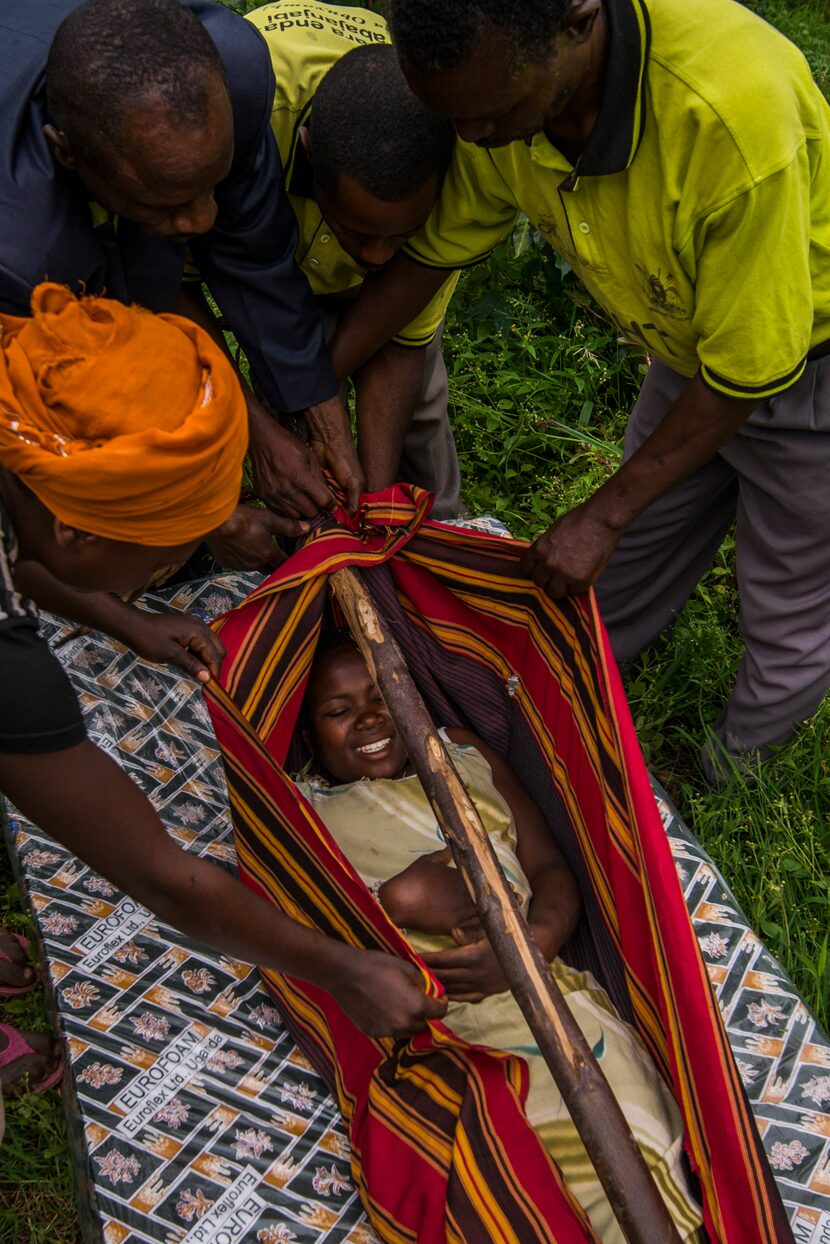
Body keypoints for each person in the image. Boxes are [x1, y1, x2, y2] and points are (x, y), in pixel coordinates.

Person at [332, 0, 830, 780]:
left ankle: (729, 779)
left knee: (787, 605)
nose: (472, 138)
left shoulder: (728, 115)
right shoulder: (497, 91)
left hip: (810, 374)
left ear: (577, 19)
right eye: (452, 116)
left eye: (492, 114)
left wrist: (602, 512)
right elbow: (427, 259)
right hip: (689, 347)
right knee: (616, 575)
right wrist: (312, 394)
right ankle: (564, 706)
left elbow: (748, 372)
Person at [0, 284, 445, 1112]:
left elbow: (26, 545)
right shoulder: (8, 663)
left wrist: (126, 618)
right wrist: (344, 969)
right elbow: (164, 876)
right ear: (81, 531)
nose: (164, 579)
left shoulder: (23, 433)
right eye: (161, 561)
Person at [295, 636, 703, 1240]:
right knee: (514, 1186)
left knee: (634, 1154)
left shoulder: (459, 754)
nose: (371, 719)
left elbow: (548, 868)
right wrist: (397, 900)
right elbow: (306, 947)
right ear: (310, 732)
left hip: (550, 996)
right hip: (439, 1032)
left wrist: (534, 944)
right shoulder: (304, 812)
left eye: (384, 696)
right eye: (339, 710)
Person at [0, 0, 363, 573]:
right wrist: (205, 517)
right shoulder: (20, 251)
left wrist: (318, 409)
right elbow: (83, 398)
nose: (202, 222)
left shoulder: (228, 80)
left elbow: (257, 256)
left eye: (212, 183)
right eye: (169, 202)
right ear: (68, 156)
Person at [243, 2, 463, 517]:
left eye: (401, 236)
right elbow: (173, 292)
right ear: (309, 150)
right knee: (292, 440)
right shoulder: (246, 118)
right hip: (275, 274)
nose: (377, 257)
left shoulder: (457, 174)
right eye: (359, 231)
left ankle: (424, 534)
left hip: (382, 298)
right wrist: (275, 423)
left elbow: (402, 342)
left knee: (418, 426)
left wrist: (374, 506)